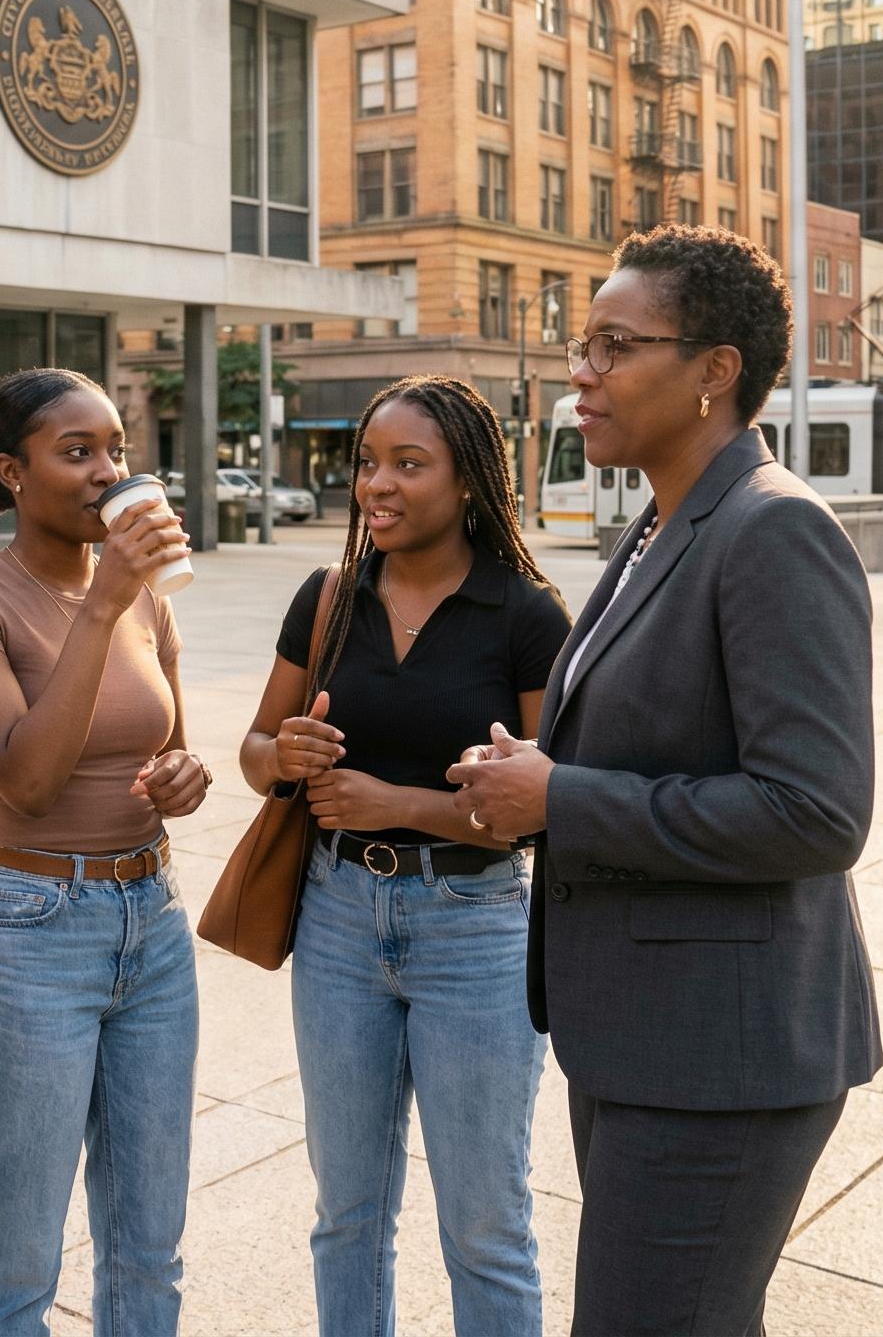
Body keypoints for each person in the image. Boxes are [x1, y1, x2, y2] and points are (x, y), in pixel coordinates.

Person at [448, 224, 882, 1336]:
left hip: (723, 1063)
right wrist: (534, 780)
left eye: (610, 346)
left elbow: (815, 809)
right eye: (578, 345)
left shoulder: (772, 530)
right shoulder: (658, 524)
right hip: (645, 1039)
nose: (578, 374)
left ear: (712, 372)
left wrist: (558, 800)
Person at [237, 375, 570, 1336]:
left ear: (468, 481)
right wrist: (283, 756)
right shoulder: (331, 597)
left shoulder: (526, 615)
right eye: (367, 464)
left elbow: (547, 814)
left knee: (485, 1222)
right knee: (346, 1215)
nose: (376, 485)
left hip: (474, 929)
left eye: (407, 465)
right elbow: (258, 752)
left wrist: (402, 805)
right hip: (337, 920)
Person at [0, 369, 212, 1337]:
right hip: (30, 931)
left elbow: (164, 743)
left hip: (151, 924)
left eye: (114, 449)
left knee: (148, 1238)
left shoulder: (145, 600)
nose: (106, 473)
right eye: (74, 452)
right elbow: (26, 781)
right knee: (20, 1249)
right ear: (11, 471)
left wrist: (180, 773)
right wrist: (101, 603)